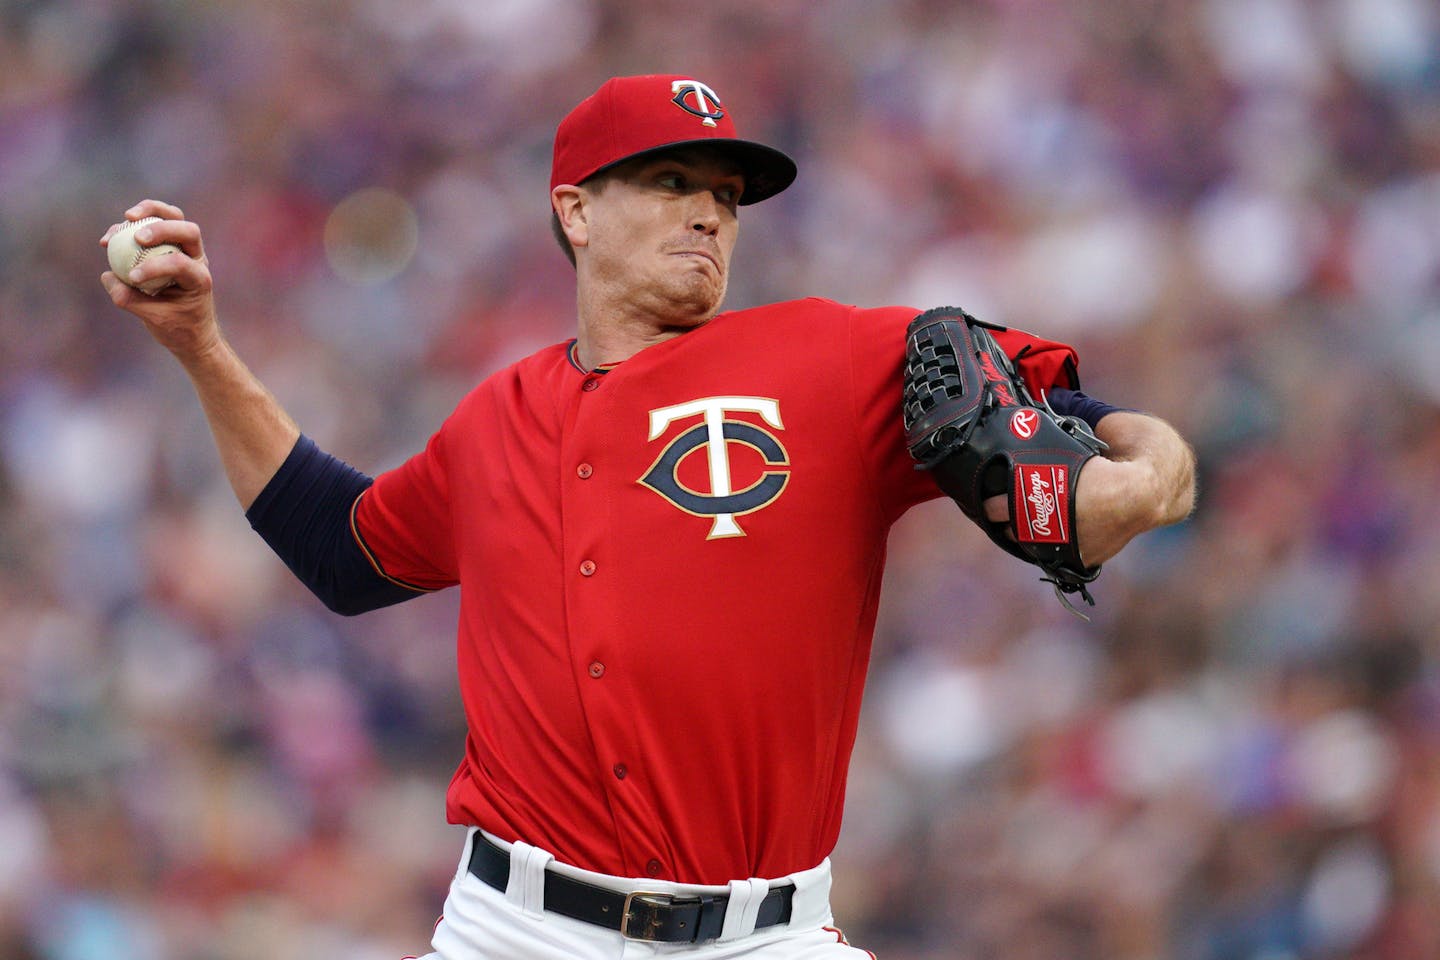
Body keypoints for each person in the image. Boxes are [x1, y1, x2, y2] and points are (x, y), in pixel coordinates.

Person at [101, 74, 1196, 959]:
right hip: (512, 928)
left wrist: (1149, 476)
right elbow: (344, 556)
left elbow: (1091, 434)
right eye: (673, 180)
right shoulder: (494, 420)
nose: (710, 210)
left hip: (764, 934)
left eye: (726, 192)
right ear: (575, 211)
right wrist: (201, 344)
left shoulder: (837, 356)